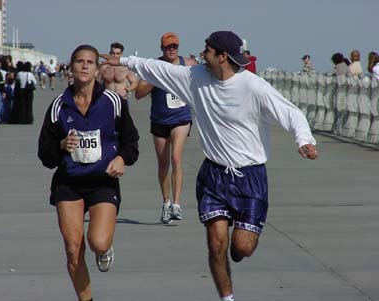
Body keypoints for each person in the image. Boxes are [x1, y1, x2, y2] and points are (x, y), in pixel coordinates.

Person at [101, 30, 318, 301]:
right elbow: (157, 69)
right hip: (214, 174)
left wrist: (304, 140)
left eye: (207, 51)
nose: (202, 55)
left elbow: (290, 113)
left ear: (222, 56)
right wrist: (124, 62)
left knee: (242, 247)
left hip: (250, 176)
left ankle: (241, 247)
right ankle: (227, 299)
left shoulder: (253, 86)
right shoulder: (196, 78)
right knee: (216, 244)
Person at [38, 44, 139, 301]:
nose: (84, 65)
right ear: (71, 67)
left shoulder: (112, 102)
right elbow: (45, 154)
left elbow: (131, 142)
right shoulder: (59, 106)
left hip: (102, 181)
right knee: (73, 250)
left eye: (90, 62)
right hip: (68, 183)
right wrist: (60, 146)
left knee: (98, 242)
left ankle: (104, 250)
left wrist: (121, 159)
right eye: (79, 61)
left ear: (97, 69)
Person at [134, 32, 197, 224]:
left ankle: (177, 204)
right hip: (160, 120)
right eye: (168, 47)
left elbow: (204, 82)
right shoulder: (154, 67)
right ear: (162, 48)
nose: (172, 50)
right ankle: (166, 203)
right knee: (163, 164)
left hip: (181, 118)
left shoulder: (189, 65)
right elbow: (138, 93)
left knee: (176, 158)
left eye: (175, 46)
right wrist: (157, 79)